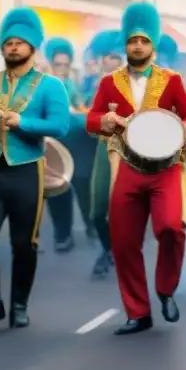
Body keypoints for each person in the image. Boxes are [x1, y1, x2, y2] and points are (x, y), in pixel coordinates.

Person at [85, 2, 186, 335]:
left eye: (144, 41)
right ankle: (138, 312)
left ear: (153, 45)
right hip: (129, 167)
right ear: (125, 44)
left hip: (166, 169)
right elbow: (92, 120)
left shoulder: (172, 81)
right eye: (132, 40)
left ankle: (165, 289)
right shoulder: (109, 83)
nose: (137, 46)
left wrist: (185, 130)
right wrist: (104, 120)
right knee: (123, 241)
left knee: (171, 229)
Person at [0, 7, 71, 330]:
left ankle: (19, 304)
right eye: (8, 42)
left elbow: (60, 126)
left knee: (24, 243)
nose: (13, 47)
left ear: (32, 47)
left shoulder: (50, 86)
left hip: (27, 171)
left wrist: (23, 121)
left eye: (20, 42)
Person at [43, 36, 95, 253]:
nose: (62, 70)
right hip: (54, 144)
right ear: (49, 64)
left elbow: (80, 108)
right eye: (58, 65)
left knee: (84, 185)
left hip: (79, 144)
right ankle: (63, 234)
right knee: (57, 188)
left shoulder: (73, 85)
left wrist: (82, 114)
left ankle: (92, 225)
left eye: (66, 65)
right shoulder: (41, 86)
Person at [86, 29, 124, 279]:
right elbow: (91, 124)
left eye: (117, 57)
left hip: (132, 151)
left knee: (126, 208)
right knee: (97, 210)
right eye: (109, 57)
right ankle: (108, 248)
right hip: (104, 149)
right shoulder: (98, 87)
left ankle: (120, 254)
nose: (112, 62)